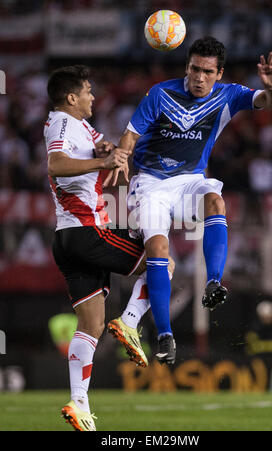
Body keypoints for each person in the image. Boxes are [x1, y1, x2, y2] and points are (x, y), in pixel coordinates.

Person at [105, 36, 272, 366]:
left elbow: (270, 101)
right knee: (159, 251)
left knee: (216, 201)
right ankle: (164, 335)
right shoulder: (161, 93)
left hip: (190, 181)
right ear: (187, 67)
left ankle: (214, 282)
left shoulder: (230, 95)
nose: (199, 78)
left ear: (220, 73)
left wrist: (271, 86)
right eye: (194, 69)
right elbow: (130, 135)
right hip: (151, 183)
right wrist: (121, 155)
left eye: (207, 72)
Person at [45, 65, 174, 431]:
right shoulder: (62, 123)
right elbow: (56, 164)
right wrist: (103, 160)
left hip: (66, 240)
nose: (92, 96)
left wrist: (109, 152)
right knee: (162, 261)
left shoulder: (80, 127)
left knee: (90, 324)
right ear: (71, 98)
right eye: (87, 90)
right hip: (87, 232)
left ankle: (79, 404)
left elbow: (105, 149)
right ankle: (131, 323)